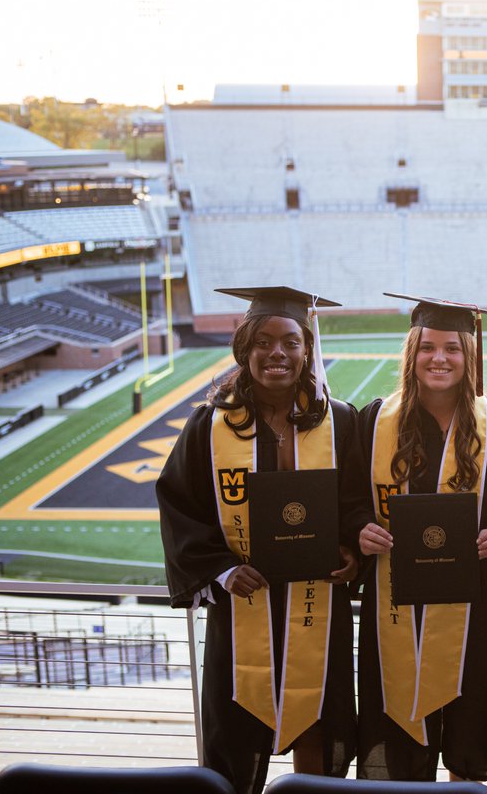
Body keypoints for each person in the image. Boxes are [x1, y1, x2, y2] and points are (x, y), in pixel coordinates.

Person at [157, 286, 372, 794]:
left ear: (307, 350)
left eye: (291, 342)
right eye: (265, 341)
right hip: (241, 608)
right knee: (236, 731)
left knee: (317, 720)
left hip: (317, 604)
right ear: (244, 350)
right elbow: (180, 506)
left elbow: (357, 503)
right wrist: (222, 570)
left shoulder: (340, 421)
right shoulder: (210, 425)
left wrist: (349, 552)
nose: (278, 353)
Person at [355, 294, 487, 781]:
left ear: (469, 356)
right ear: (411, 354)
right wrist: (359, 530)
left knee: (468, 726)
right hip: (395, 608)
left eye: (452, 348)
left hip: (474, 612)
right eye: (428, 347)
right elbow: (347, 497)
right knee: (401, 731)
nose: (439, 358)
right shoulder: (373, 422)